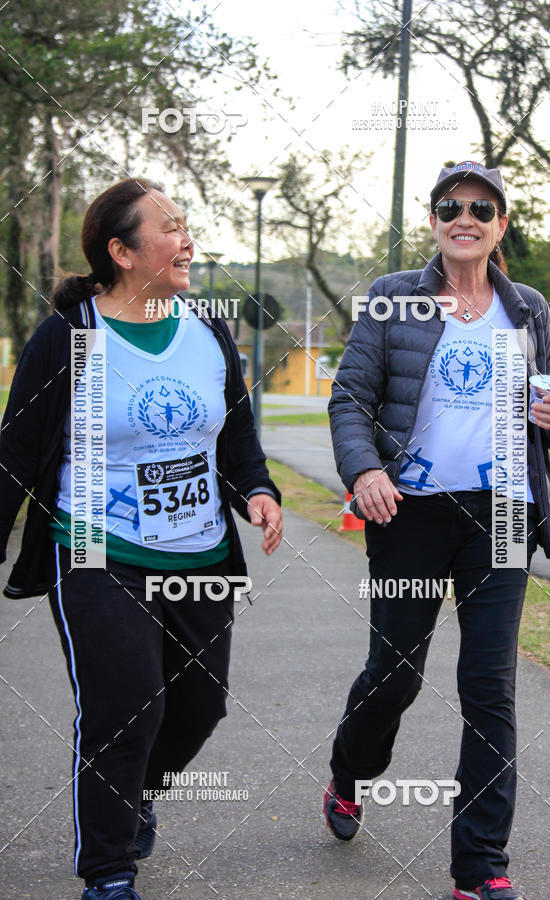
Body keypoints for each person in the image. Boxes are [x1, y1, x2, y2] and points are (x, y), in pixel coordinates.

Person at [0, 178, 282, 900]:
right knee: (128, 704)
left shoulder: (208, 331)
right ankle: (108, 868)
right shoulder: (72, 338)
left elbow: (239, 438)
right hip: (97, 548)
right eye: (169, 227)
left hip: (200, 551)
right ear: (122, 252)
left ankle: (135, 794)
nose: (187, 238)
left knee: (200, 706)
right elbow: (16, 453)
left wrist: (259, 491)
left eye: (188, 224)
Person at [322, 161, 550, 900]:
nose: (463, 217)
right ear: (433, 220)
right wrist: (364, 470)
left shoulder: (527, 306)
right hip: (410, 509)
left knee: (489, 685)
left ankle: (481, 866)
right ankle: (349, 772)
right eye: (449, 206)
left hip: (502, 511)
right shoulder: (391, 299)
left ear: (501, 225)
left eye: (481, 208)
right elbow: (349, 397)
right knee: (395, 673)